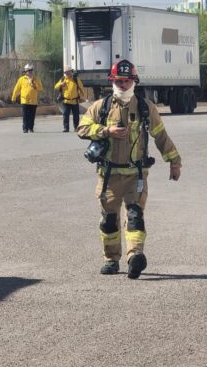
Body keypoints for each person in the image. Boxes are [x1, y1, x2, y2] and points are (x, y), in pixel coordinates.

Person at [77, 59, 181, 278]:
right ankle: (111, 259)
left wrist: (174, 162)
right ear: (112, 82)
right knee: (109, 220)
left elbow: (160, 136)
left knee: (135, 216)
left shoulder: (145, 107)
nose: (122, 85)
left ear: (134, 81)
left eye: (126, 81)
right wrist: (106, 131)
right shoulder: (101, 107)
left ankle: (135, 257)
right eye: (118, 81)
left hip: (136, 175)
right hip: (108, 176)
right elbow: (82, 128)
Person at [11, 63, 43, 133]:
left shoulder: (36, 79)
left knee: (32, 116)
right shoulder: (21, 79)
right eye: (28, 71)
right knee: (25, 116)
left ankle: (31, 128)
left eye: (31, 70)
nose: (30, 72)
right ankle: (25, 128)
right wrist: (13, 97)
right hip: (24, 100)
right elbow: (16, 89)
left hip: (33, 101)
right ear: (25, 72)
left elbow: (40, 88)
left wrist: (34, 85)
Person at [54, 67, 85, 132]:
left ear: (71, 72)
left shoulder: (76, 80)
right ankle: (66, 128)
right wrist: (61, 84)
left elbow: (81, 88)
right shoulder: (63, 79)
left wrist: (83, 96)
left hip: (74, 101)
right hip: (66, 101)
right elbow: (56, 87)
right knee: (65, 114)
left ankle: (76, 127)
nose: (67, 73)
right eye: (66, 72)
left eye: (68, 72)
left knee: (76, 115)